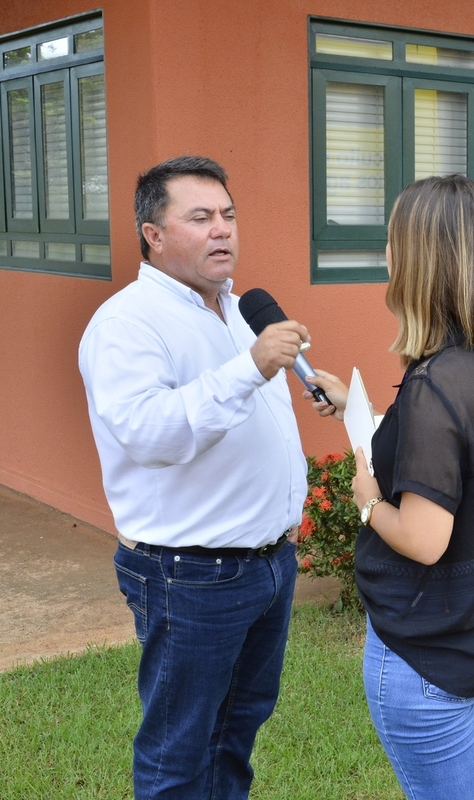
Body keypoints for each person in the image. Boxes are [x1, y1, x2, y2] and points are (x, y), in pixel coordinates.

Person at [79, 156, 310, 799]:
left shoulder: (238, 311)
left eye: (229, 216)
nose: (223, 231)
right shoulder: (127, 323)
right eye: (201, 218)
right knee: (179, 751)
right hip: (190, 575)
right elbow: (151, 433)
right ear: (153, 234)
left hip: (268, 565)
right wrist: (250, 370)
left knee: (236, 736)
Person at [305, 174, 474, 800]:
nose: (385, 255)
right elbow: (460, 458)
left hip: (425, 662)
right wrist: (364, 411)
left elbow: (424, 538)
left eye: (391, 243)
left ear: (417, 262)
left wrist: (369, 503)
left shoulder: (435, 383)